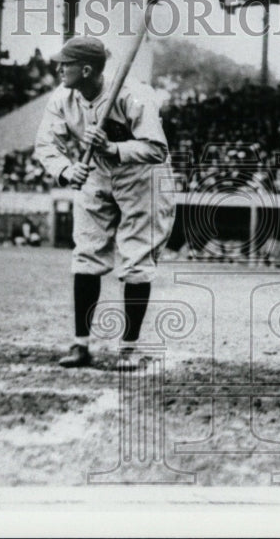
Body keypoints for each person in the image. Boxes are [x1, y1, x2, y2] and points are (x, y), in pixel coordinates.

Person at [34, 36, 175, 370]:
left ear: (85, 69)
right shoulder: (63, 98)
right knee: (86, 254)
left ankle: (129, 348)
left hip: (142, 177)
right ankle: (80, 345)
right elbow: (45, 145)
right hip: (95, 175)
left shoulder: (133, 93)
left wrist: (113, 147)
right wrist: (67, 171)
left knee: (136, 258)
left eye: (64, 64)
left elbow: (157, 149)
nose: (58, 68)